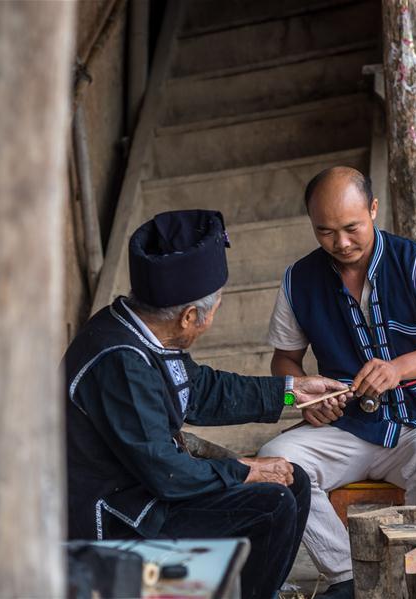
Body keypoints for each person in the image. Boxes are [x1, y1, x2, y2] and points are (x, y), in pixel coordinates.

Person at [63, 209, 351, 599]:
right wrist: (242, 470)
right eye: (213, 311)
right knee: (273, 505)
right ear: (189, 316)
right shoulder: (120, 361)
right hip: (117, 522)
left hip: (147, 496)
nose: (212, 319)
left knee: (292, 481)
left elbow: (199, 390)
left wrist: (291, 391)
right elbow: (166, 473)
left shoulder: (143, 330)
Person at [258, 167, 416, 599]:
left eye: (352, 227)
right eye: (325, 231)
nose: (341, 243)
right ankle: (348, 576)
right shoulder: (297, 281)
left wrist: (398, 368)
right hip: (346, 428)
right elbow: (284, 361)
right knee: (275, 462)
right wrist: (302, 396)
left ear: (373, 210)